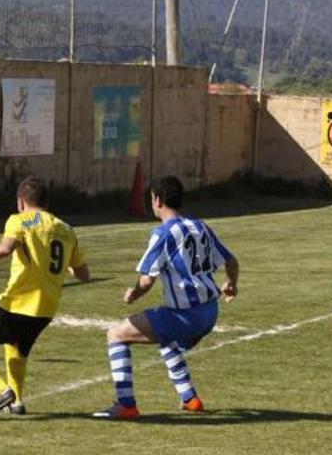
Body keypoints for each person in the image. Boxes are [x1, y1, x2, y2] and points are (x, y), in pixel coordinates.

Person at [0, 176, 90, 419]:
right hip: (46, 309)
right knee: (16, 347)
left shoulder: (19, 221)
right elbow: (84, 274)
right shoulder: (67, 230)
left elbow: (5, 248)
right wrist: (65, 264)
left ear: (21, 202)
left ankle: (0, 389)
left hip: (17, 303)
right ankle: (17, 401)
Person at [93, 176, 238, 420]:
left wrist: (132, 294)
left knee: (116, 335)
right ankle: (189, 398)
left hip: (186, 316)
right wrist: (231, 284)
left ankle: (126, 405)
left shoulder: (163, 234)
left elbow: (147, 280)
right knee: (164, 335)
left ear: (157, 200)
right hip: (210, 312)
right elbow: (231, 261)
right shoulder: (200, 226)